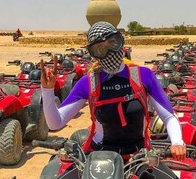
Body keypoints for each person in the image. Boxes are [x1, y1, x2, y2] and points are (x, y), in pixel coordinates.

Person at [40, 21, 186, 161]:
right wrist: (47, 91)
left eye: (112, 42)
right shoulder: (89, 82)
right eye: (100, 48)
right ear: (93, 53)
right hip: (99, 157)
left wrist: (177, 142)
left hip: (139, 157)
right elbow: (55, 123)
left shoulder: (143, 76)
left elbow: (168, 116)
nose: (109, 51)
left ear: (120, 42)